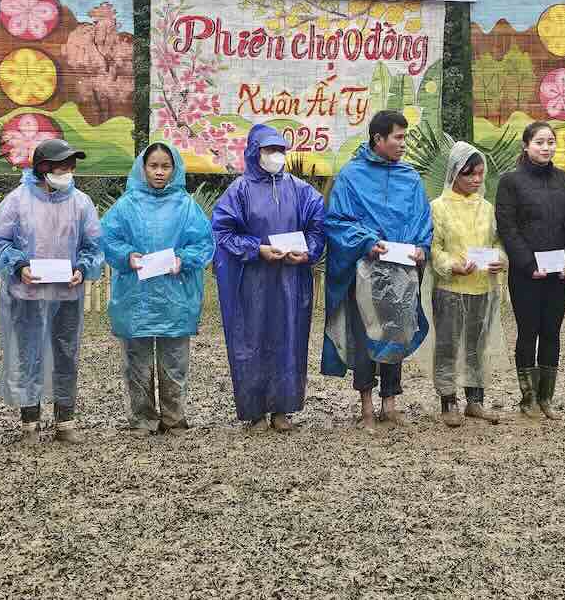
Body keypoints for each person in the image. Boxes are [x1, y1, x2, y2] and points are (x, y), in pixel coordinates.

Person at [0, 138, 103, 444]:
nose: (68, 172)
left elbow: (94, 245)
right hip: (28, 295)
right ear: (43, 168)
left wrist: (83, 268)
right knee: (28, 354)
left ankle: (65, 422)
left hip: (66, 294)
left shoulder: (81, 202)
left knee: (66, 352)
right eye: (61, 166)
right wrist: (19, 265)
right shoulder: (17, 201)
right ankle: (30, 423)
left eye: (71, 166)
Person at [322, 110, 432, 432]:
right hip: (365, 273)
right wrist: (366, 242)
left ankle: (390, 403)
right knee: (365, 334)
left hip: (401, 273)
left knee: (396, 333)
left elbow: (422, 220)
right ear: (378, 139)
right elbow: (338, 221)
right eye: (398, 137)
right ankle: (367, 406)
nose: (403, 143)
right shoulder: (351, 177)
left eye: (405, 137)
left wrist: (421, 246)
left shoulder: (410, 177)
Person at [212, 125, 326, 432]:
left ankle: (282, 409)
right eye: (268, 150)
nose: (276, 156)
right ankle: (255, 411)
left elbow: (318, 226)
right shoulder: (239, 191)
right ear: (253, 152)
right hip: (253, 282)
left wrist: (309, 252)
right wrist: (256, 249)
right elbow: (223, 231)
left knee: (288, 338)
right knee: (252, 340)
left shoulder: (300, 190)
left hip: (290, 280)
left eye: (280, 150)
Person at [101, 142, 213, 435]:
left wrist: (183, 259)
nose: (159, 172)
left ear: (175, 169)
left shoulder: (187, 206)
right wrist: (127, 256)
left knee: (174, 360)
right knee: (136, 362)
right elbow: (107, 239)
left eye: (166, 166)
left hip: (174, 294)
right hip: (135, 296)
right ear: (143, 167)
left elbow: (203, 243)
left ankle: (174, 417)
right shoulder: (126, 205)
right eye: (153, 166)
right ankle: (142, 419)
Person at [495, 121, 565, 419]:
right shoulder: (510, 182)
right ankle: (528, 397)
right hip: (526, 273)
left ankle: (547, 397)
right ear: (526, 146)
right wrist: (528, 264)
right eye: (540, 142)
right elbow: (508, 227)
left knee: (552, 332)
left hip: (559, 272)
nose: (546, 147)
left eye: (551, 142)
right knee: (528, 331)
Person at [426, 141, 506, 427]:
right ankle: (448, 401)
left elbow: (497, 242)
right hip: (450, 289)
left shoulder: (487, 208)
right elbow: (433, 247)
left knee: (477, 344)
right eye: (469, 174)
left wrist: (500, 259)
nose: (476, 180)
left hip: (483, 288)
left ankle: (476, 401)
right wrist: (451, 265)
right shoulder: (438, 207)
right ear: (454, 174)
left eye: (480, 174)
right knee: (447, 344)